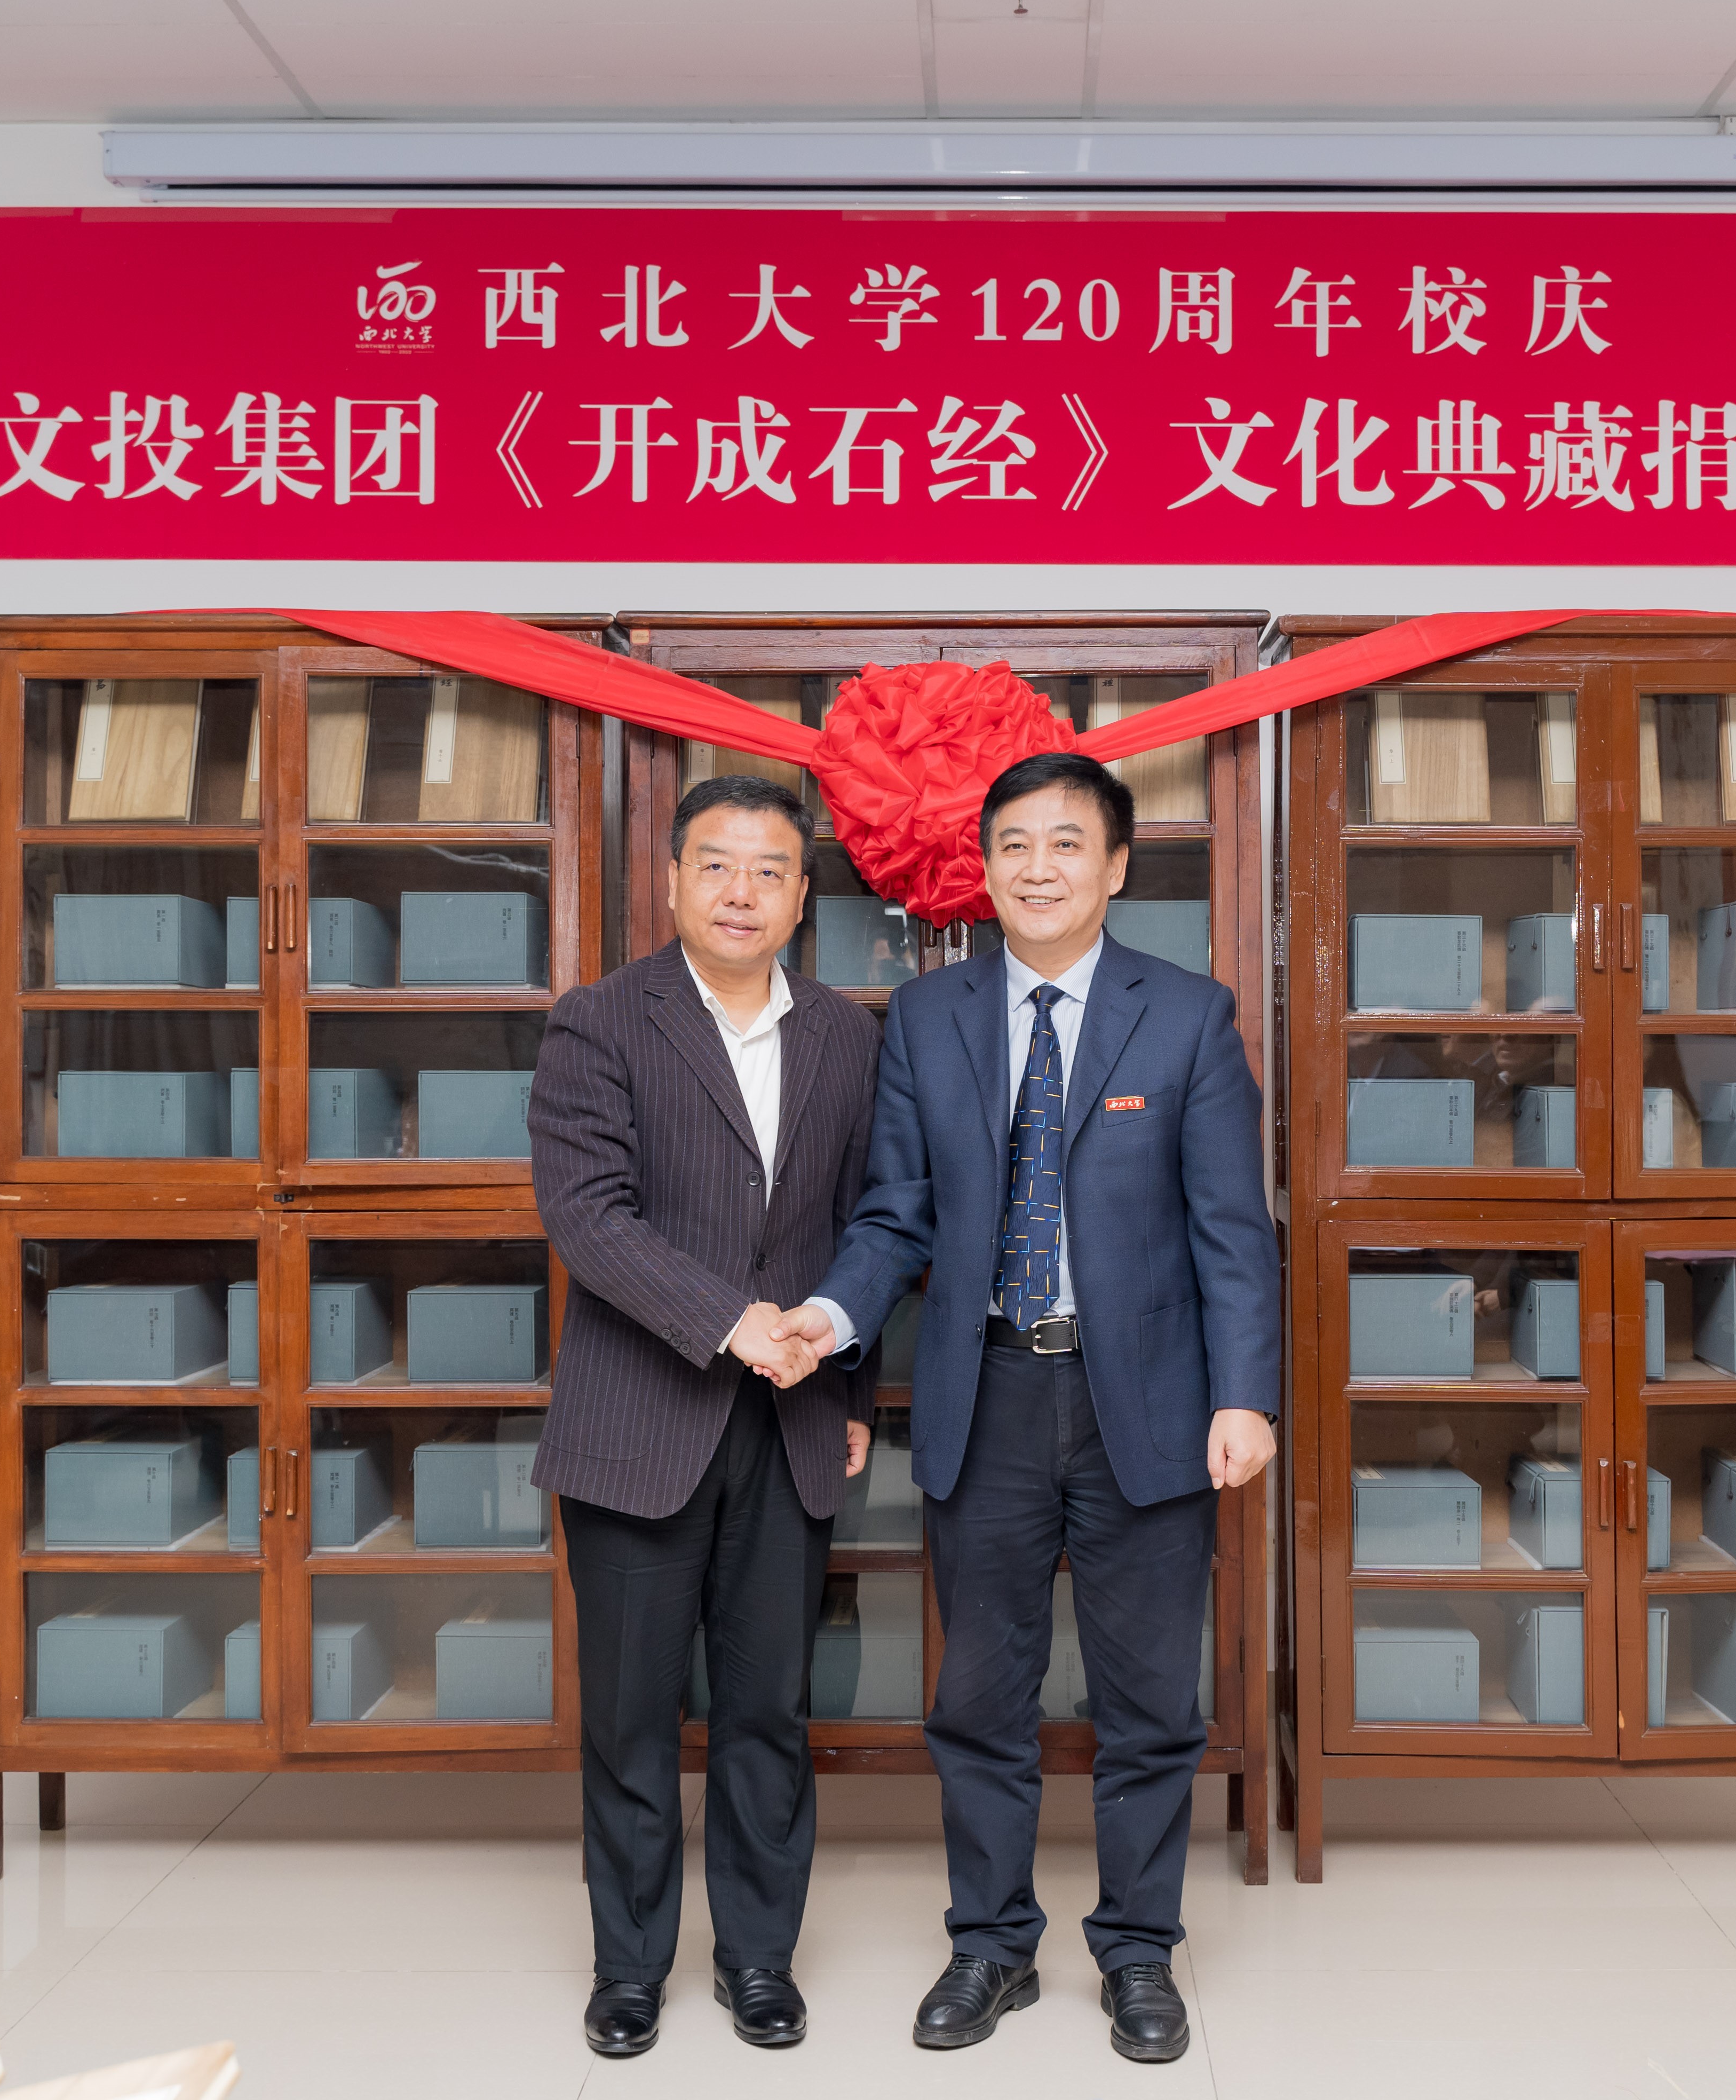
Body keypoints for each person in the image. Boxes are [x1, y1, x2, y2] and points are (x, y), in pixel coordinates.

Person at [773, 752, 1281, 2065]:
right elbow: (895, 1214)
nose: (1038, 867)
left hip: (1148, 1403)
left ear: (1116, 866)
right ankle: (990, 1943)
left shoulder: (1187, 1015)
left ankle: (1138, 1951)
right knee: (979, 1696)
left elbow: (1233, 1231)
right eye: (1014, 844)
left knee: (1150, 1700)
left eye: (1067, 843)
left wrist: (1245, 1394)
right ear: (984, 868)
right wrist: (830, 1315)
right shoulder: (926, 1016)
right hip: (987, 1388)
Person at [528, 775, 884, 2059]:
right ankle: (629, 1967)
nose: (743, 891)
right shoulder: (599, 1020)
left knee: (768, 1708)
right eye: (718, 865)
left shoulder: (847, 1034)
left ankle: (758, 1958)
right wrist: (733, 1318)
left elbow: (865, 1223)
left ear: (803, 894)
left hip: (792, 1419)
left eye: (771, 869)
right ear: (672, 880)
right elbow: (588, 1214)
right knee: (630, 1714)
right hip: (639, 1418)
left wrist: (850, 1382)